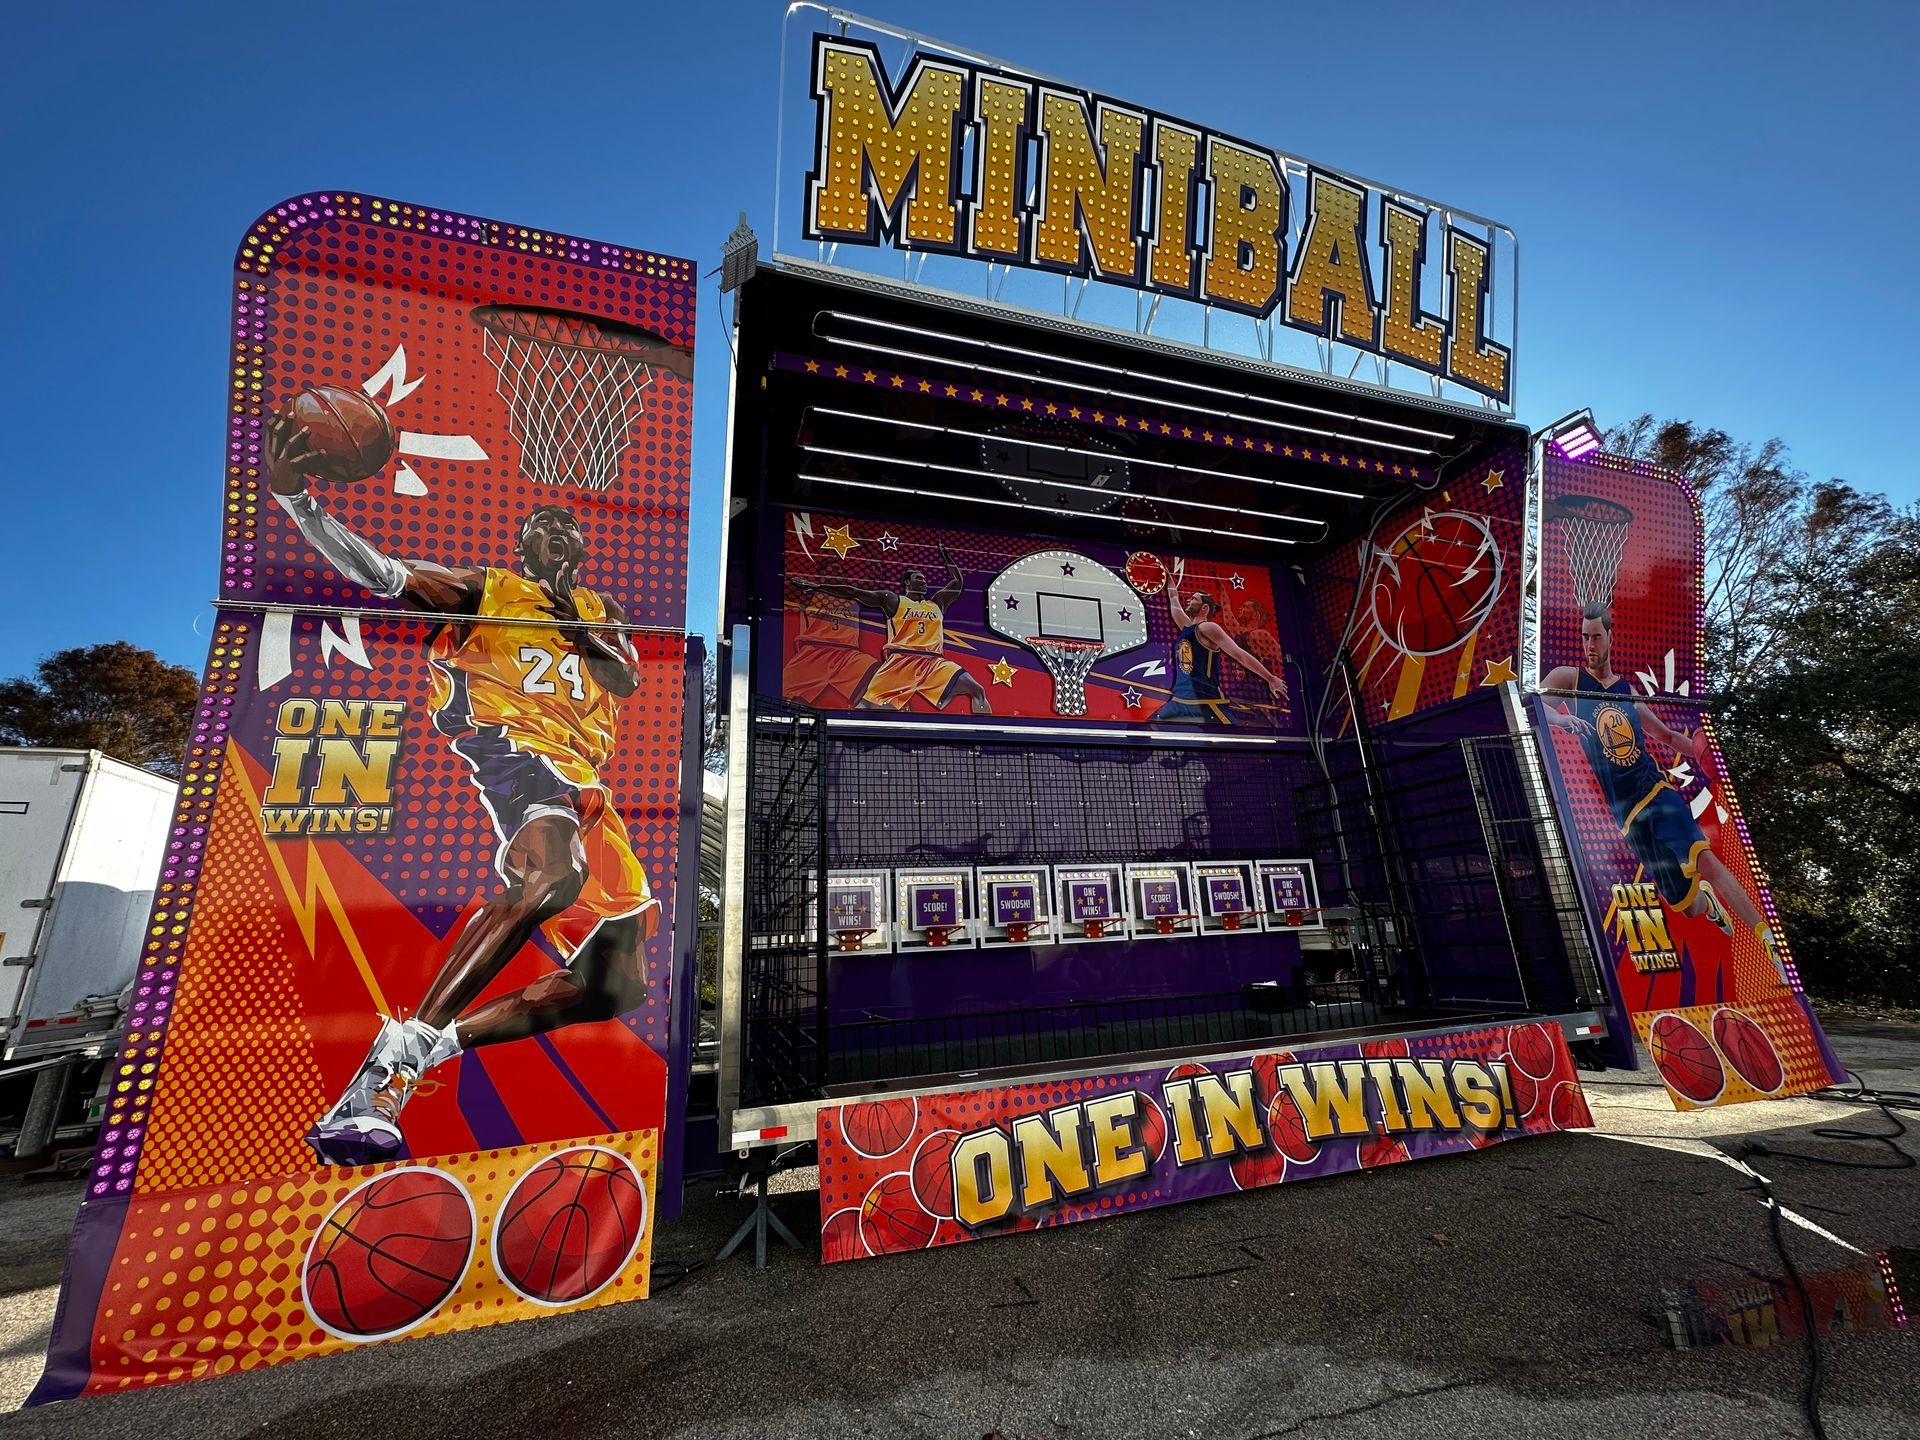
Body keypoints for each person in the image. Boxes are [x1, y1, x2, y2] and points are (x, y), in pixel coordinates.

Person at [265, 409, 658, 1165]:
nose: (560, 533)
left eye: (569, 528)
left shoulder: (602, 613)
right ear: (523, 544)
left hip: (587, 782)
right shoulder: (490, 590)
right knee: (553, 873)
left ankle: (425, 1048)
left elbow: (626, 677)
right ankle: (396, 1058)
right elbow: (380, 574)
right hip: (516, 756)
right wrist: (298, 503)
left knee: (615, 986)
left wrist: (579, 624)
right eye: (545, 525)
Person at [1543, 603, 1788, 982]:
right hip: (1625, 812)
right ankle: (1709, 906)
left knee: (1703, 858)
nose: (1589, 644)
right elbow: (1535, 706)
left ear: (1610, 638)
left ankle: (1770, 944)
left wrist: (1709, 754)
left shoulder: (1629, 693)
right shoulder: (1569, 678)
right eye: (1584, 636)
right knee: (1685, 905)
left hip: (1653, 788)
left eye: (1596, 636)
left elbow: (1671, 737)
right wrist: (1561, 718)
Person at [792, 542, 990, 713]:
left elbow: (957, 582)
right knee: (869, 708)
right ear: (906, 582)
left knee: (977, 690)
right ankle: (857, 740)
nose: (923, 581)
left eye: (924, 578)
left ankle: (984, 738)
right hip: (901, 661)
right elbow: (853, 592)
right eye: (918, 578)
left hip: (934, 662)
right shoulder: (893, 600)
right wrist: (817, 587)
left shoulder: (937, 603)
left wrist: (945, 553)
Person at [1153, 559, 1289, 724]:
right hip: (1180, 701)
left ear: (1205, 608)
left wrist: (1270, 678)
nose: (1189, 600)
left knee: (1233, 739)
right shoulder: (1187, 628)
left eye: (1194, 599)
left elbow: (1239, 654)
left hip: (1206, 702)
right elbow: (1174, 596)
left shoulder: (1208, 627)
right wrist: (1166, 574)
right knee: (1150, 728)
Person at [784, 579, 881, 707]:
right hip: (814, 651)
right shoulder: (811, 592)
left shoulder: (853, 592)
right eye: (828, 567)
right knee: (781, 703)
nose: (834, 570)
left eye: (836, 567)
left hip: (847, 653)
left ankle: (866, 722)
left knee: (882, 682)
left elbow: (874, 583)